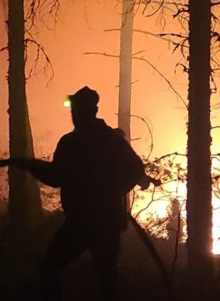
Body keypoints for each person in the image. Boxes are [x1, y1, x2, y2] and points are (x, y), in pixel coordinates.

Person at [16, 86, 149, 301]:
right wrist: (115, 193)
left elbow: (55, 177)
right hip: (108, 222)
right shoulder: (113, 140)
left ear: (81, 112)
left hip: (82, 222)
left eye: (75, 110)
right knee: (107, 282)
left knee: (50, 269)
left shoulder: (72, 142)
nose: (74, 116)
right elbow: (136, 169)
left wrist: (30, 166)